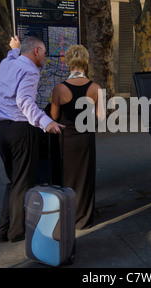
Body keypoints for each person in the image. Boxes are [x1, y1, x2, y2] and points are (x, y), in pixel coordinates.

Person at [0, 36, 64, 243]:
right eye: (43, 52)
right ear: (36, 51)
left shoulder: (6, 64)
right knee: (23, 183)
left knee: (14, 181)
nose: (45, 57)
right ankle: (16, 232)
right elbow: (24, 101)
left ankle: (3, 230)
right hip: (20, 130)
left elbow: (12, 55)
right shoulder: (30, 71)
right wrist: (46, 122)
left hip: (2, 131)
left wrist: (14, 49)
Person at [50, 44, 105, 230]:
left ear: (67, 64)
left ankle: (67, 215)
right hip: (86, 139)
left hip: (66, 140)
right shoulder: (96, 88)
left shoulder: (59, 89)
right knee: (85, 177)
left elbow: (54, 118)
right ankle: (84, 218)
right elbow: (101, 117)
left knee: (67, 177)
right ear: (86, 63)